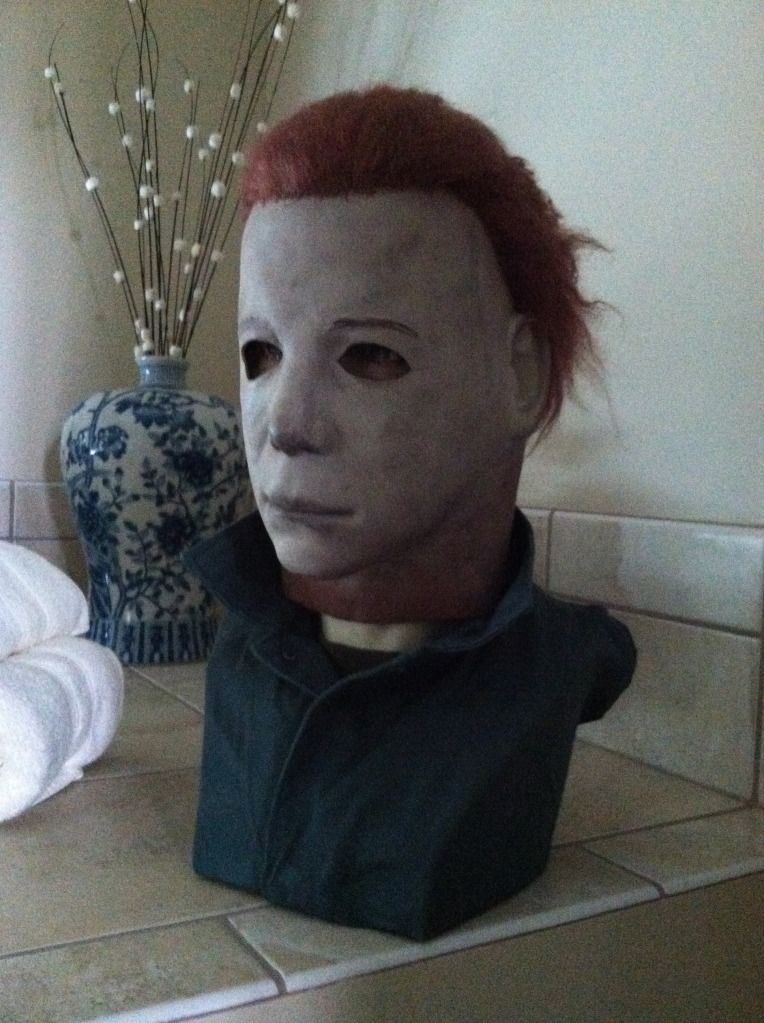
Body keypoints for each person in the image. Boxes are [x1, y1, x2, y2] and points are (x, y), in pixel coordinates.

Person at [186, 85, 636, 940]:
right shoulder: (235, 645)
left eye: (370, 355)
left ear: (521, 375)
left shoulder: (557, 668)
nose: (284, 423)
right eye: (260, 353)